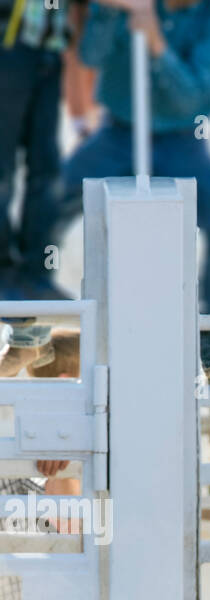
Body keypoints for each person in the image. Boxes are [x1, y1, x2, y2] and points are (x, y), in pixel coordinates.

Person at [49, 0, 210, 390]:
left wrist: (155, 42)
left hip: (183, 143)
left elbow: (191, 100)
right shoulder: (123, 6)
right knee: (44, 207)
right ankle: (24, 331)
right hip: (117, 134)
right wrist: (108, 11)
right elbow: (89, 55)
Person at [0, 0, 80, 376]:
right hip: (10, 46)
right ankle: (7, 273)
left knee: (45, 168)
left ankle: (35, 272)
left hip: (47, 51)